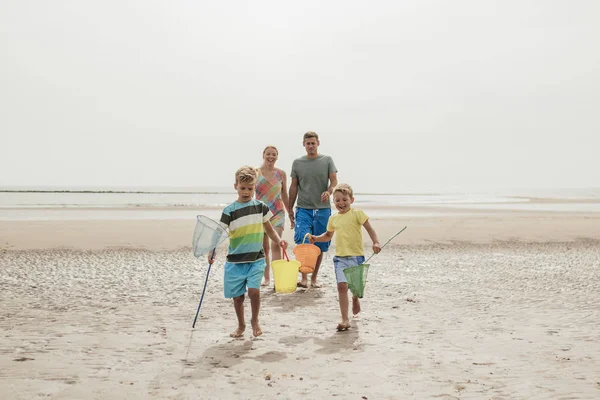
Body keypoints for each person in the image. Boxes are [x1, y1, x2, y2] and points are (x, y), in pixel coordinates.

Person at [209, 165, 288, 337]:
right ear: (235, 186)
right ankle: (241, 325)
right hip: (235, 262)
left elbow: (269, 229)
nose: (246, 192)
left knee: (254, 291)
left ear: (255, 188)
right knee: (237, 298)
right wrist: (212, 250)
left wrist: (279, 240)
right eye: (243, 188)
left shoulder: (260, 207)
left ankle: (255, 320)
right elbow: (218, 232)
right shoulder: (229, 211)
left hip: (256, 259)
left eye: (250, 189)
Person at [309, 183, 381, 331]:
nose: (341, 203)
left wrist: (376, 242)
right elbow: (328, 235)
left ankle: (355, 298)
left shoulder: (357, 214)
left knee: (355, 287)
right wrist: (316, 238)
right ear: (333, 202)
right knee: (342, 286)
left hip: (356, 256)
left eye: (344, 200)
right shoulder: (333, 218)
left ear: (351, 200)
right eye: (337, 200)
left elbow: (369, 228)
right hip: (340, 258)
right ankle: (344, 319)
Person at [289, 131, 338, 288]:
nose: (311, 146)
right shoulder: (297, 163)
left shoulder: (327, 160)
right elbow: (294, 186)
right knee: (304, 240)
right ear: (304, 144)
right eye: (308, 143)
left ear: (318, 143)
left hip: (322, 209)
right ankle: (303, 277)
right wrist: (289, 208)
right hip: (303, 208)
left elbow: (334, 181)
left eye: (313, 143)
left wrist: (329, 191)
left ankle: (314, 278)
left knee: (319, 244)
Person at [255, 145, 291, 287]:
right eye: (268, 154)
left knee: (276, 243)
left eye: (274, 154)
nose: (271, 156)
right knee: (264, 248)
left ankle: (278, 280)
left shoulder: (281, 173)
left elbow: (284, 195)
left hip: (277, 212)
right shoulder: (255, 172)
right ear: (263, 155)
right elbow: (250, 193)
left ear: (277, 156)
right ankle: (267, 278)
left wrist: (290, 213)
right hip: (260, 213)